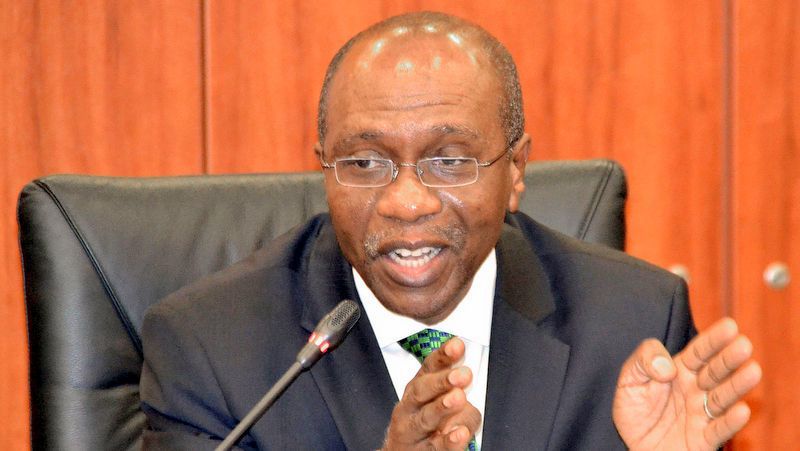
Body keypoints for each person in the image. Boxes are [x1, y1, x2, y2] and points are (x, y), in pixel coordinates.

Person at [140, 11, 761, 450]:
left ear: (516, 171)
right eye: (365, 163)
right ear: (325, 168)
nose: (407, 202)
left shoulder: (634, 324)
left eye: (451, 160)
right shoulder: (212, 351)